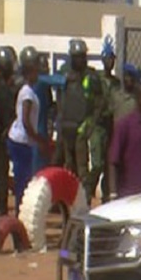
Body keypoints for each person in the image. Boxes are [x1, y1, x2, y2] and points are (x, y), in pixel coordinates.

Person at [57, 39, 103, 204]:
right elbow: (60, 100)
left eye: (82, 56)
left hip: (81, 129)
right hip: (66, 127)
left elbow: (99, 103)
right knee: (69, 169)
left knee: (83, 170)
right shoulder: (65, 75)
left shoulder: (91, 76)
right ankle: (70, 204)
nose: (80, 60)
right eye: (76, 56)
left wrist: (90, 125)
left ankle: (83, 204)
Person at [7, 47, 50, 216]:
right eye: (34, 71)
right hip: (21, 141)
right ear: (28, 72)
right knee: (22, 181)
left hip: (21, 140)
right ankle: (19, 216)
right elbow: (25, 121)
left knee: (23, 179)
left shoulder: (27, 91)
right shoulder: (27, 93)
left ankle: (20, 214)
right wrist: (38, 139)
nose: (37, 74)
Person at [108, 84, 141, 199]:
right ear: (138, 99)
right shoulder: (124, 125)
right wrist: (113, 192)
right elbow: (113, 161)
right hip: (129, 194)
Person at [0, 47, 17, 215]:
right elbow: (6, 112)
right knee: (1, 171)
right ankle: (1, 204)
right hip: (1, 134)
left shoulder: (1, 85)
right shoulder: (1, 88)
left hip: (0, 133)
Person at [93, 41, 120, 203]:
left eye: (112, 58)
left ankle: (105, 197)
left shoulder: (116, 82)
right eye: (107, 58)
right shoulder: (97, 79)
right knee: (97, 164)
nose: (110, 62)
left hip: (111, 124)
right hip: (98, 125)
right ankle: (87, 193)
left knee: (109, 164)